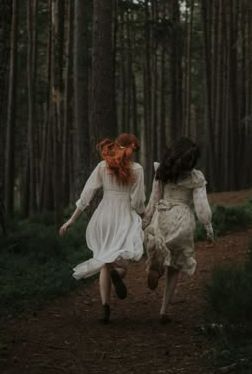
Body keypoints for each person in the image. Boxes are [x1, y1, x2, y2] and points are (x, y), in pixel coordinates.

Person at [59, 133, 145, 324]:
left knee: (105, 261)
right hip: (124, 216)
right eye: (133, 149)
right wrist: (143, 215)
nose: (134, 153)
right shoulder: (137, 169)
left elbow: (87, 194)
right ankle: (117, 274)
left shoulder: (103, 166)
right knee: (121, 263)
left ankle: (105, 308)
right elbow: (138, 201)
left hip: (104, 217)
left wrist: (72, 219)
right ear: (128, 148)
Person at [142, 137, 214, 324]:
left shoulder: (162, 171)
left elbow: (153, 199)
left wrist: (146, 220)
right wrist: (208, 228)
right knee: (175, 266)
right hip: (182, 222)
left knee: (158, 250)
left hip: (163, 217)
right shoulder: (195, 177)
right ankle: (164, 310)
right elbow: (201, 207)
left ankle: (155, 270)